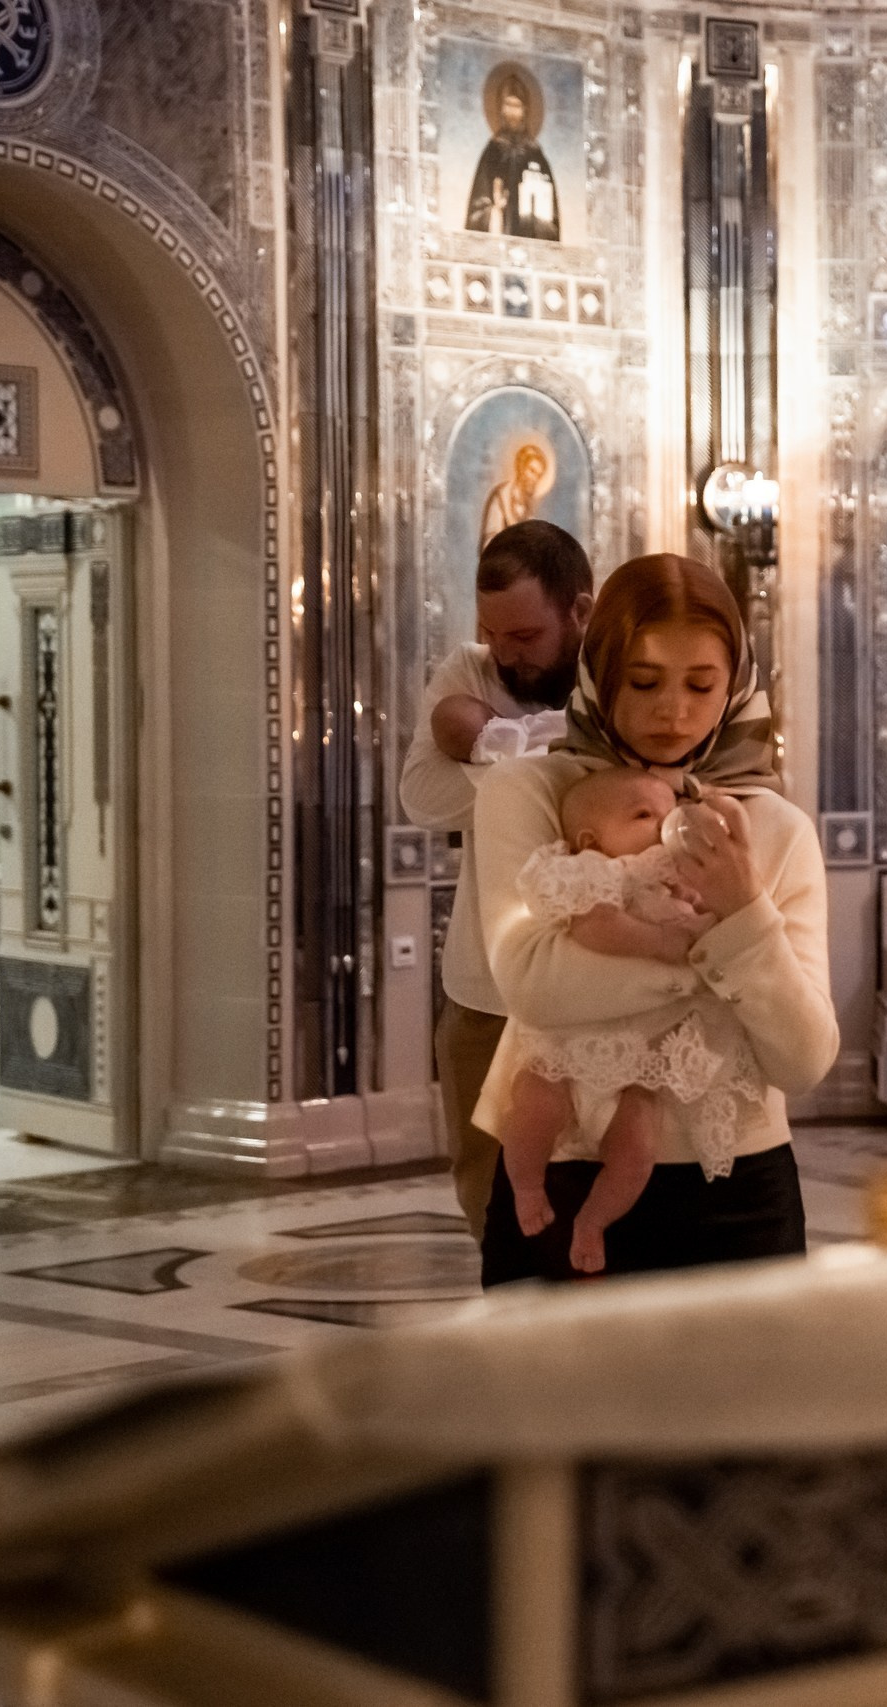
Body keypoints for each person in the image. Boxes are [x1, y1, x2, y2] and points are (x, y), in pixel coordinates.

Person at [477, 553, 835, 1284]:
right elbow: (535, 983)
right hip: (564, 1174)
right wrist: (713, 958)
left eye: (701, 685)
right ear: (599, 672)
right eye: (643, 682)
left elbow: (802, 1058)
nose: (673, 711)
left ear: (733, 682)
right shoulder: (532, 795)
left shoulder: (777, 828)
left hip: (737, 1185)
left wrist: (744, 909)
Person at [482, 766, 765, 1276]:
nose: (661, 826)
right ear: (592, 838)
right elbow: (598, 928)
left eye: (666, 814)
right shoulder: (590, 871)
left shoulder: (669, 873)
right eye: (642, 815)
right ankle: (526, 1186)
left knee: (637, 1150)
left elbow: (707, 909)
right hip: (568, 1043)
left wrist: (706, 916)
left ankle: (593, 1221)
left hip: (641, 1054)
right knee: (532, 1110)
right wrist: (665, 944)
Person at [399, 519, 593, 1242]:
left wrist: (497, 763)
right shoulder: (467, 672)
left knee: (588, 1186)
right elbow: (422, 796)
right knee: (489, 1196)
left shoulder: (620, 677)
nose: (506, 654)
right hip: (482, 988)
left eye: (526, 635)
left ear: (580, 610)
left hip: (592, 986)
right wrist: (552, 767)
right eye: (493, 632)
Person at [464, 65, 561, 242]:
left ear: (525, 110)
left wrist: (536, 219)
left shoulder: (536, 156)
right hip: (498, 240)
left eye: (517, 106)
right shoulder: (492, 152)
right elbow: (477, 208)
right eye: (508, 105)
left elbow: (551, 221)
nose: (512, 112)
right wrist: (494, 212)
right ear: (501, 108)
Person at [480, 442, 550, 548]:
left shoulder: (527, 507)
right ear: (521, 468)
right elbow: (489, 542)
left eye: (538, 475)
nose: (535, 479)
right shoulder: (501, 496)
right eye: (532, 471)